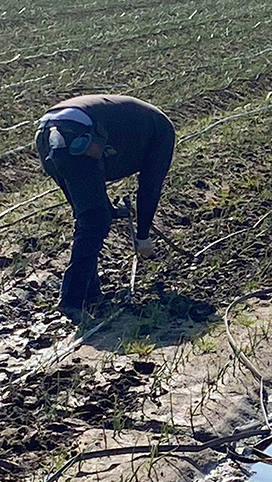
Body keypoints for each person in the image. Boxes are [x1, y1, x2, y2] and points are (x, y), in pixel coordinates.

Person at [34, 95, 175, 316]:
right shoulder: (163, 132)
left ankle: (91, 296)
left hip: (47, 133)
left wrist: (110, 210)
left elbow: (94, 175)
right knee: (94, 220)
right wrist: (143, 236)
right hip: (79, 134)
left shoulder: (141, 123)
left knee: (91, 217)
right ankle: (72, 300)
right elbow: (150, 186)